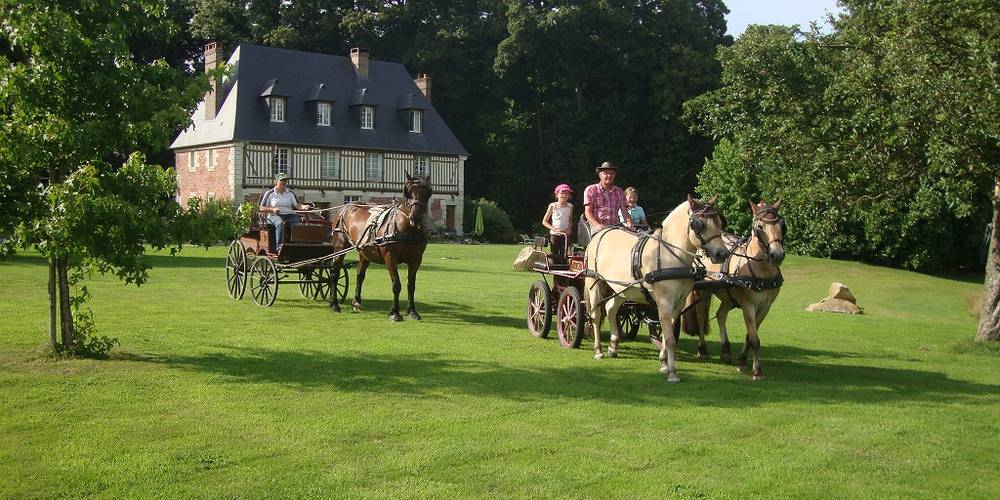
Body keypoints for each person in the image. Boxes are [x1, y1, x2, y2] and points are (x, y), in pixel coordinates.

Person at [259, 172, 312, 249]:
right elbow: (261, 207)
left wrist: (304, 207)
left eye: (285, 181)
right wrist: (273, 209)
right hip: (274, 216)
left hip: (290, 215)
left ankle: (296, 246)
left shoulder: (290, 193)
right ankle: (279, 247)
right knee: (280, 223)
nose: (283, 182)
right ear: (276, 181)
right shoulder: (270, 193)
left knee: (297, 224)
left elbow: (297, 205)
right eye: (281, 180)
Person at [583, 161, 633, 235]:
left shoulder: (619, 191)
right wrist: (597, 225)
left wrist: (629, 223)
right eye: (605, 173)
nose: (609, 176)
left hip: (614, 226)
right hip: (596, 226)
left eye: (612, 173)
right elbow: (588, 212)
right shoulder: (591, 189)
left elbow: (624, 212)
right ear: (600, 175)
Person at [542, 183, 574, 262]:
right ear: (557, 194)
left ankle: (562, 272)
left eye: (566, 193)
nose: (564, 195)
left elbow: (570, 220)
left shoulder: (570, 206)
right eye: (562, 193)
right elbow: (544, 221)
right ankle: (554, 272)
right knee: (554, 256)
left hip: (565, 235)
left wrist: (569, 229)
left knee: (564, 256)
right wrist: (553, 229)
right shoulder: (553, 206)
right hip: (555, 235)